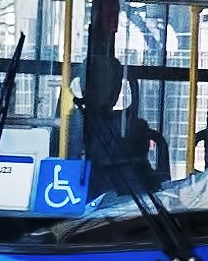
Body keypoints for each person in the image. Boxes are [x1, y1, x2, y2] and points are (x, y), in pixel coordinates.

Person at [70, 55, 167, 196]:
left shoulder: (129, 124)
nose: (114, 88)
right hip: (101, 198)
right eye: (102, 82)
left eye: (116, 82)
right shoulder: (77, 121)